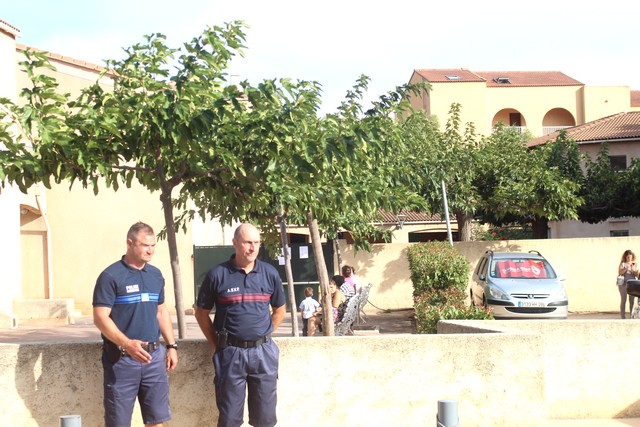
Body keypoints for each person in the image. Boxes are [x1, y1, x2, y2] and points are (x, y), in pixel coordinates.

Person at [195, 223, 286, 427]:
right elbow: (201, 313)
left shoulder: (270, 273)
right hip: (231, 354)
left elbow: (280, 310)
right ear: (235, 243)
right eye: (247, 242)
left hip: (263, 353)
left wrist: (264, 333)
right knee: (229, 420)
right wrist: (216, 344)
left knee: (265, 420)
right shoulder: (217, 274)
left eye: (256, 243)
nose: (253, 248)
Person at [93, 222, 178, 427]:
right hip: (122, 359)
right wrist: (127, 344)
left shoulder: (155, 275)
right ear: (130, 243)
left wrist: (171, 346)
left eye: (153, 245)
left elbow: (161, 311)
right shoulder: (110, 276)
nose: (150, 250)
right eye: (145, 245)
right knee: (119, 422)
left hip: (154, 359)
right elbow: (100, 317)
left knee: (156, 421)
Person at [618, 249, 639, 319]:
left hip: (632, 284)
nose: (628, 258)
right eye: (627, 256)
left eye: (630, 256)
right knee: (623, 300)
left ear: (632, 256)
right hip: (623, 284)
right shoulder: (622, 263)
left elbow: (637, 275)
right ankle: (623, 317)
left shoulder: (634, 264)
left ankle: (631, 316)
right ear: (625, 256)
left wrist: (633, 270)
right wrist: (626, 268)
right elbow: (620, 272)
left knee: (632, 301)